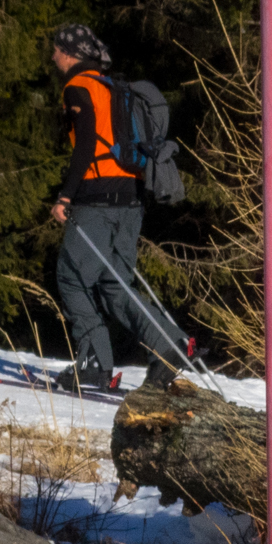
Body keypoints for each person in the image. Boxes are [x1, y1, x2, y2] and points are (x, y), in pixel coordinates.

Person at [49, 24, 191, 393]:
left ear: (70, 53)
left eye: (56, 49)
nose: (52, 56)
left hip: (96, 196)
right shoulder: (114, 87)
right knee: (115, 284)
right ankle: (168, 344)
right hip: (131, 195)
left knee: (72, 277)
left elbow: (84, 148)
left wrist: (66, 196)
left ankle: (95, 362)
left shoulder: (77, 88)